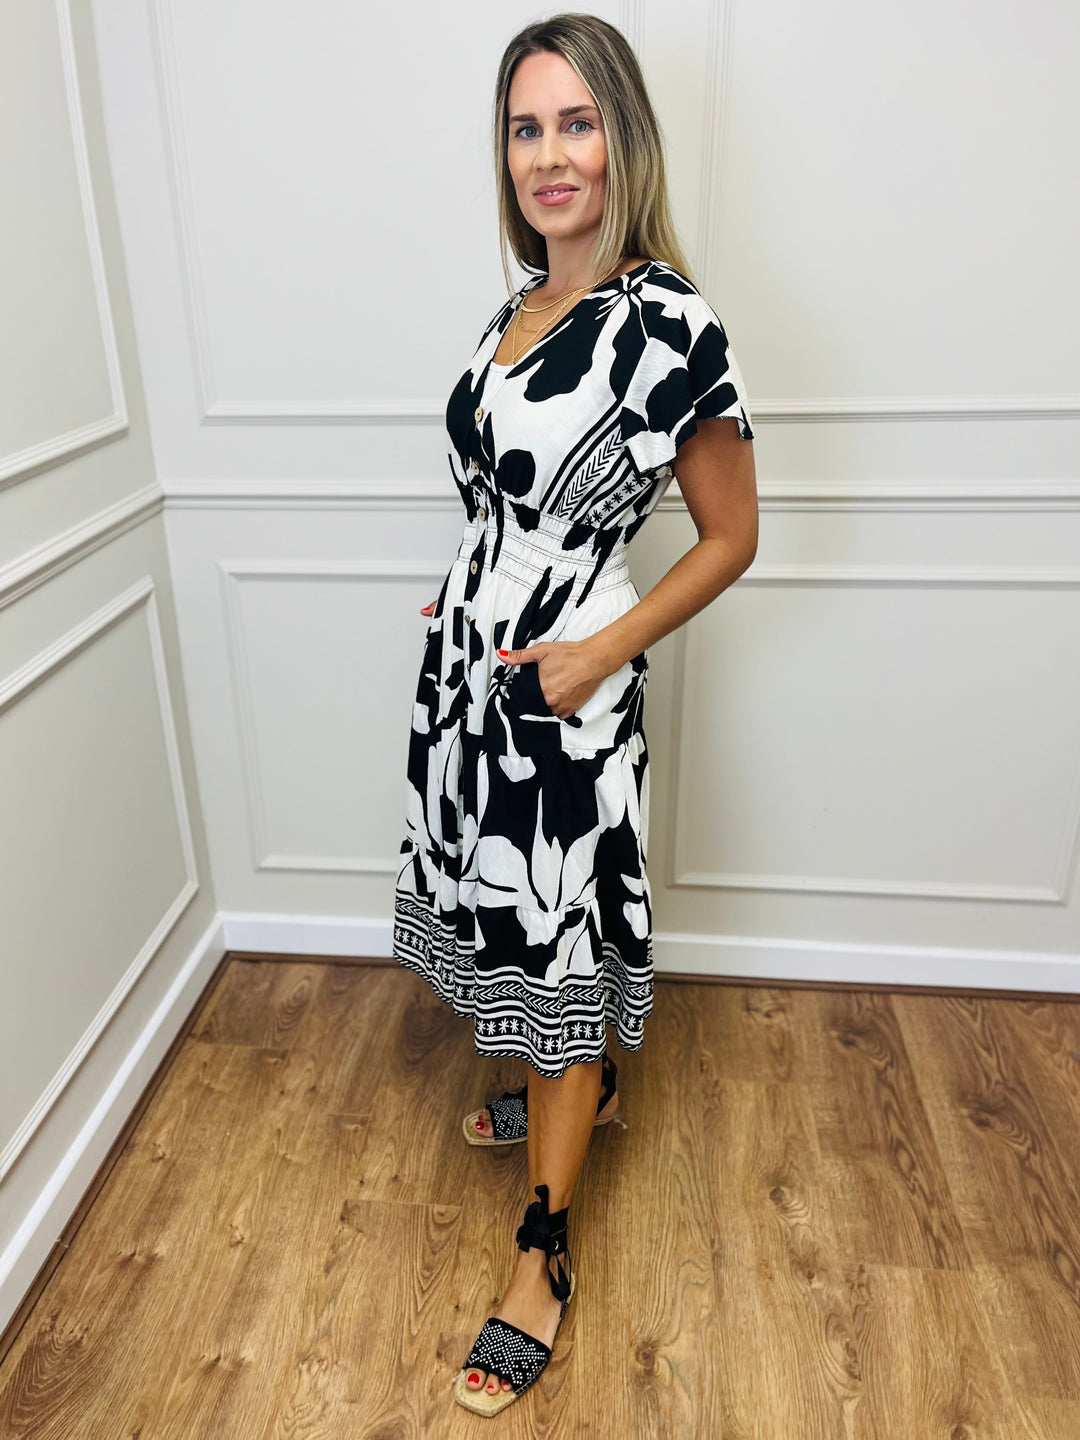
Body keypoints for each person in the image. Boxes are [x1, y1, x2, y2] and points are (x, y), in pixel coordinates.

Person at [391, 12, 757, 1415]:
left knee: (560, 948)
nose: (549, 155)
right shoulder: (513, 312)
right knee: (512, 932)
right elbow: (506, 497)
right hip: (472, 682)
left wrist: (598, 648)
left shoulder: (666, 324)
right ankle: (581, 1093)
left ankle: (541, 1259)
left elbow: (733, 535)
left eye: (577, 123)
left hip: (567, 701)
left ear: (624, 140)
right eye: (525, 127)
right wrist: (464, 593)